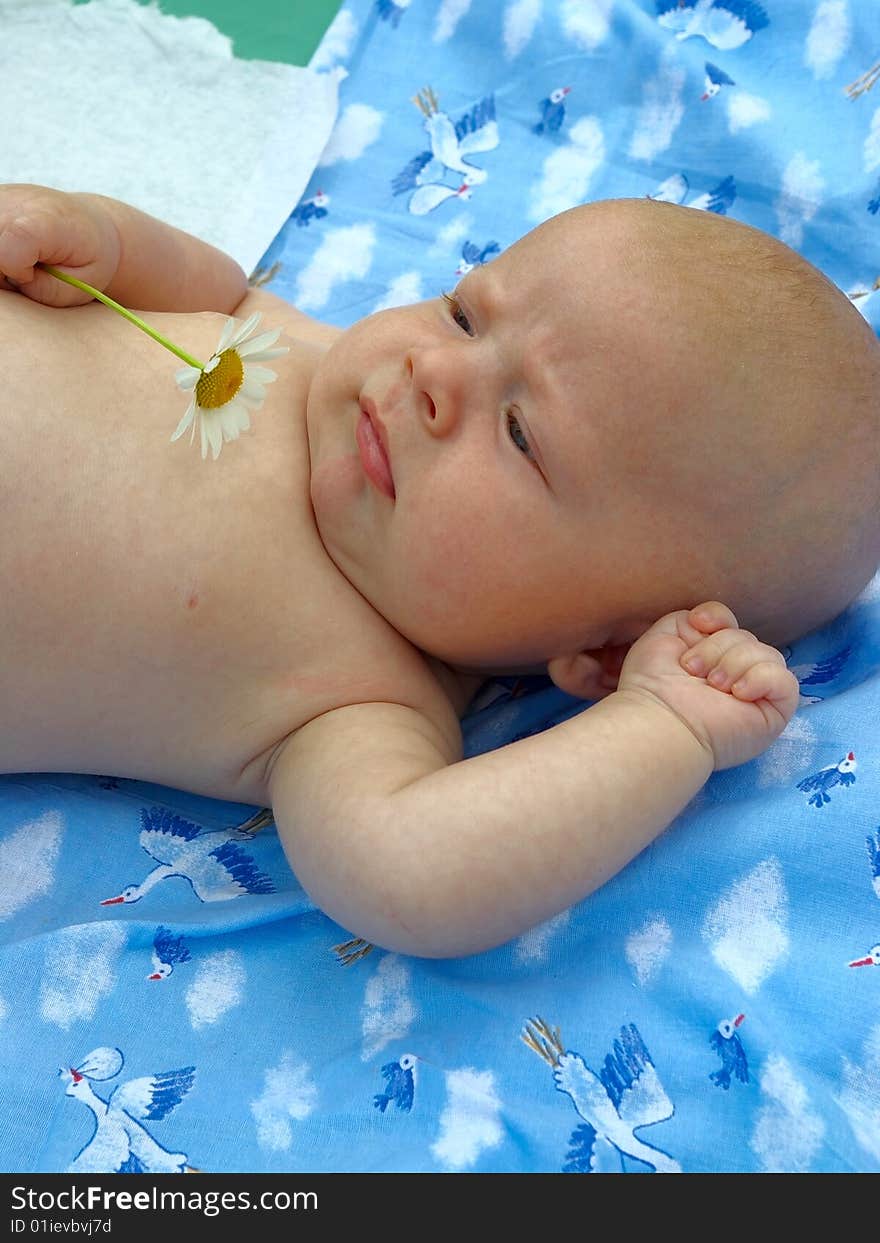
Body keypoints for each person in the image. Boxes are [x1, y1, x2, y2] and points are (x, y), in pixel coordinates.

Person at [1, 184, 878, 958]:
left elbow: (409, 873)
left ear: (607, 656)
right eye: (465, 312)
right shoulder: (302, 353)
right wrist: (103, 237)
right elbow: (222, 288)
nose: (433, 370)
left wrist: (663, 725)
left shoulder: (356, 698)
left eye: (521, 435)